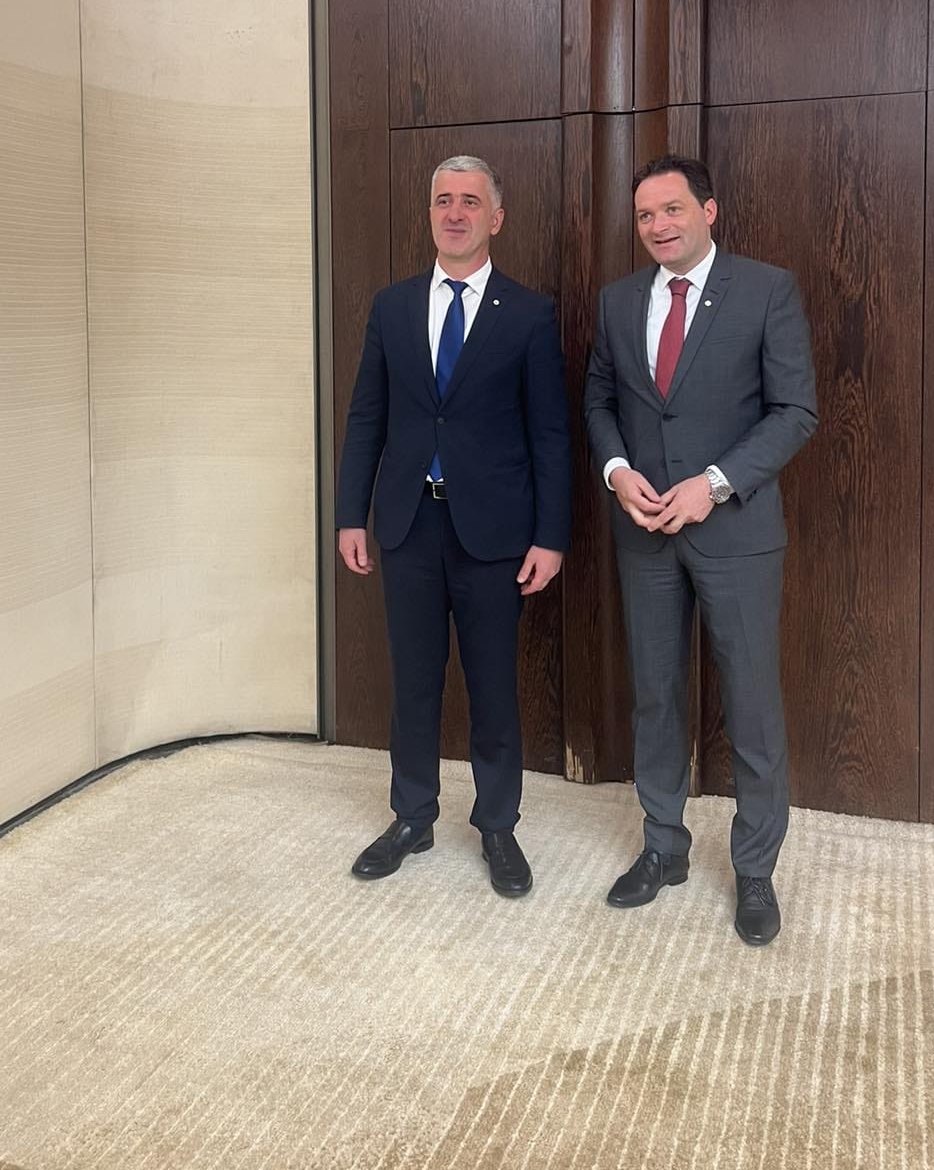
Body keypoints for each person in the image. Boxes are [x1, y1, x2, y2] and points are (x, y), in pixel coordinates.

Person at [584, 155, 817, 945]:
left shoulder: (766, 290)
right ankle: (663, 847)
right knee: (656, 696)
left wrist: (713, 485)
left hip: (735, 534)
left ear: (708, 211)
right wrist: (617, 472)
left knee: (751, 703)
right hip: (644, 531)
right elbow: (599, 399)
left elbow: (795, 411)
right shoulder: (618, 300)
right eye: (646, 215)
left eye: (673, 209)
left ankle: (754, 871)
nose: (658, 225)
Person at [337, 155, 571, 897]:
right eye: (443, 200)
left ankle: (497, 825)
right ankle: (413, 816)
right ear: (430, 213)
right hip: (408, 525)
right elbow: (367, 417)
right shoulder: (393, 307)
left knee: (493, 685)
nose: (456, 213)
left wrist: (551, 536)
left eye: (471, 201)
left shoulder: (528, 314)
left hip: (495, 535)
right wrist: (350, 515)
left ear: (495, 218)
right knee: (413, 682)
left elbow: (550, 435)